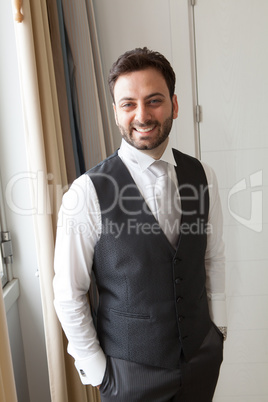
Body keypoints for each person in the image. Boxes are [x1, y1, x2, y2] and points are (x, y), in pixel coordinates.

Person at [53, 47, 227, 402]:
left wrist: (218, 330)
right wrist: (98, 371)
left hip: (200, 363)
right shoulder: (86, 193)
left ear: (174, 105)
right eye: (128, 103)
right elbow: (69, 292)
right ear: (116, 112)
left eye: (154, 100)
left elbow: (213, 258)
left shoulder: (203, 175)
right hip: (129, 374)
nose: (142, 115)